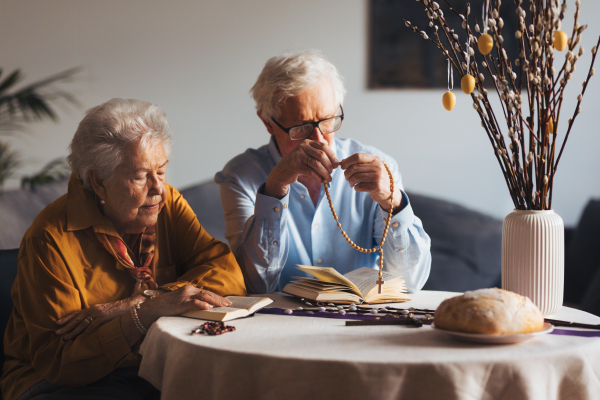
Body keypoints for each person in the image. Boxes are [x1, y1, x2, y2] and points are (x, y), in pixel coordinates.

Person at [1, 98, 246, 400]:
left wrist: (142, 302)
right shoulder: (49, 239)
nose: (158, 188)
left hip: (150, 364)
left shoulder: (167, 203)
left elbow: (228, 274)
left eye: (162, 170)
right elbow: (60, 362)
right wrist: (143, 316)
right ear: (99, 182)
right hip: (57, 383)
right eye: (141, 175)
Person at [215, 50, 431, 294]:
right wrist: (274, 189)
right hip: (279, 324)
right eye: (300, 127)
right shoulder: (239, 178)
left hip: (357, 321)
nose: (319, 140)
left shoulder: (381, 169)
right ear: (267, 122)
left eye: (327, 120)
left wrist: (394, 201)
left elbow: (410, 283)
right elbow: (255, 285)